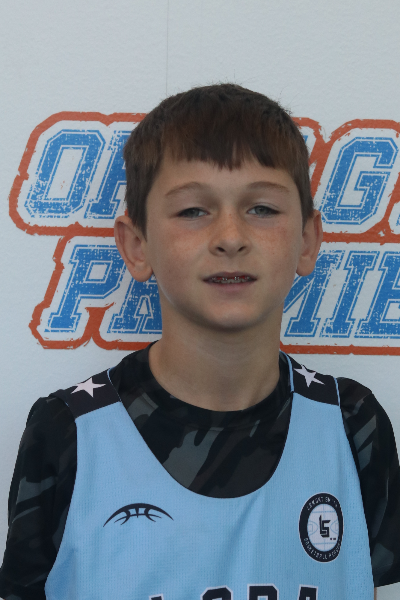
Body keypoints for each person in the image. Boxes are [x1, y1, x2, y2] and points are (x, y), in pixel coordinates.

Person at [0, 84, 399, 600]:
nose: (230, 237)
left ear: (307, 241)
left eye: (262, 208)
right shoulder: (68, 433)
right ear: (136, 245)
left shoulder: (352, 425)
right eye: (193, 211)